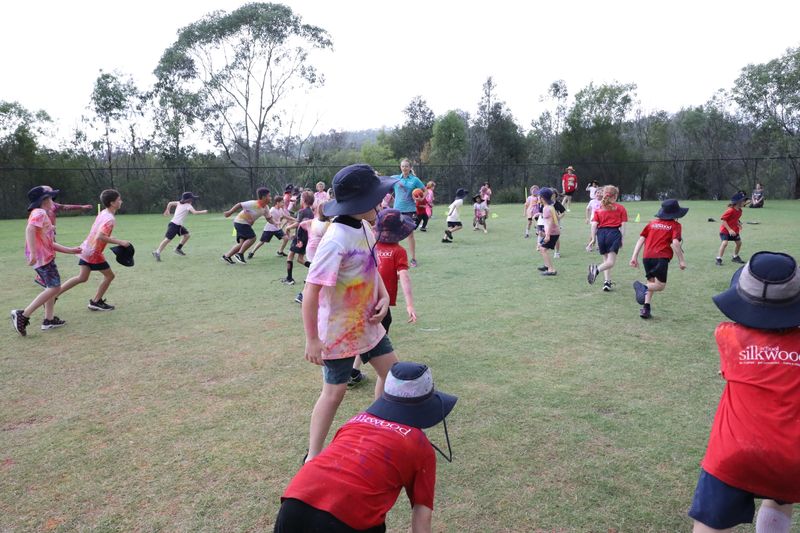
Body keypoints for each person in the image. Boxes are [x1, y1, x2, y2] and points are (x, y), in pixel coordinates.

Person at [688, 251, 800, 533]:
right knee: (780, 497)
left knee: (710, 523)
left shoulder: (728, 335)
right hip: (792, 455)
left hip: (735, 453)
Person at [275, 361, 457, 533]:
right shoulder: (420, 445)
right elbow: (422, 515)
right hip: (348, 519)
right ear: (426, 405)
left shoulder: (355, 421)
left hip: (294, 503)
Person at [301, 163, 400, 462]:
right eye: (376, 197)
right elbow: (311, 291)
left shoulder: (366, 228)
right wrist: (312, 339)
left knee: (393, 376)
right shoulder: (335, 239)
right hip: (338, 331)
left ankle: (379, 429)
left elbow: (372, 268)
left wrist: (383, 296)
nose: (381, 201)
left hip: (368, 324)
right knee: (335, 392)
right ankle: (313, 457)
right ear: (360, 202)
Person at [350, 209, 419, 387]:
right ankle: (377, 378)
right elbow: (404, 276)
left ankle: (353, 371)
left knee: (366, 336)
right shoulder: (399, 251)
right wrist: (410, 305)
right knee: (377, 344)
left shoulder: (369, 245)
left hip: (362, 301)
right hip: (380, 305)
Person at [11, 186, 82, 336]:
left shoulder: (41, 214)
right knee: (55, 288)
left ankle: (49, 320)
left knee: (51, 287)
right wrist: (33, 253)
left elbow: (49, 243)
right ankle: (23, 315)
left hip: (45, 258)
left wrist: (70, 250)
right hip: (42, 259)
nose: (53, 201)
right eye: (50, 198)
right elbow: (29, 229)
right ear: (44, 200)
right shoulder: (40, 212)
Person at [58, 189, 131, 311]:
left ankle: (53, 295)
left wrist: (110, 238)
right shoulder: (110, 219)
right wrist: (120, 242)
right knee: (110, 276)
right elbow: (100, 236)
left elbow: (99, 232)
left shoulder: (103, 213)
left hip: (86, 248)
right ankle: (96, 301)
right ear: (112, 203)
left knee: (82, 277)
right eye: (119, 200)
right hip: (93, 252)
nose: (121, 201)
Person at [629, 199, 688, 319]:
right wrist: (681, 260)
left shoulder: (652, 223)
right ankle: (642, 287)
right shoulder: (675, 225)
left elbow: (641, 239)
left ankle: (646, 309)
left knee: (651, 282)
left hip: (647, 257)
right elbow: (675, 243)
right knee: (660, 286)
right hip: (661, 257)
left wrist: (634, 256)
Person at [587, 185, 627, 291]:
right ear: (615, 196)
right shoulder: (620, 208)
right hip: (613, 234)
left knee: (606, 259)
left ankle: (607, 282)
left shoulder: (598, 208)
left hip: (601, 234)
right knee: (611, 262)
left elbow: (594, 225)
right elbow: (623, 225)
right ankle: (596, 270)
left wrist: (593, 238)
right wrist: (622, 238)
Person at [221, 187, 271, 264]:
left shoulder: (266, 207)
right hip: (240, 222)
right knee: (252, 238)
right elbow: (240, 204)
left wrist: (276, 223)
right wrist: (229, 212)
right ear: (264, 197)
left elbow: (269, 218)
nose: (270, 198)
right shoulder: (254, 203)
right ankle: (240, 254)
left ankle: (227, 256)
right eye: (269, 196)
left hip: (243, 223)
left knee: (242, 244)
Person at [152, 192, 207, 261]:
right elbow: (194, 212)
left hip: (179, 226)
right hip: (174, 224)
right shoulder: (188, 205)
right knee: (168, 239)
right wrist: (204, 211)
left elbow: (170, 203)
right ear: (187, 200)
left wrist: (168, 210)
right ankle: (157, 252)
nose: (192, 200)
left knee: (187, 235)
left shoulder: (179, 203)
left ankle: (178, 249)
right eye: (191, 199)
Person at [391, 159, 425, 267]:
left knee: (410, 235)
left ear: (410, 168)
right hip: (397, 210)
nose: (404, 168)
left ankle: (413, 259)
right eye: (402, 166)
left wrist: (421, 198)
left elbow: (425, 190)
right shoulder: (395, 178)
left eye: (406, 166)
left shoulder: (415, 180)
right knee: (395, 235)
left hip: (410, 210)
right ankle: (395, 259)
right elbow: (382, 182)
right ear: (400, 167)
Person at [281, 191, 314, 286]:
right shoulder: (311, 212)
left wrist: (288, 227)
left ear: (304, 200)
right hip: (306, 237)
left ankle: (289, 279)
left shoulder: (302, 211)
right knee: (300, 259)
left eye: (301, 199)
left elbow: (298, 223)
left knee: (290, 256)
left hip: (299, 238)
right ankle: (315, 270)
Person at [716, 192, 746, 266]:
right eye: (743, 201)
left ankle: (735, 257)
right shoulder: (730, 210)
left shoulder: (740, 211)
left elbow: (735, 219)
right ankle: (718, 258)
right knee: (725, 243)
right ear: (738, 202)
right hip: (725, 231)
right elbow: (724, 220)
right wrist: (729, 230)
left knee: (739, 243)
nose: (745, 202)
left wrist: (738, 223)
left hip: (734, 230)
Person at [537, 188, 560, 276]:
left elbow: (550, 222)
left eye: (539, 196)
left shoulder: (546, 208)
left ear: (542, 198)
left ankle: (551, 270)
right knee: (542, 248)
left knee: (543, 249)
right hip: (555, 232)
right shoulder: (551, 207)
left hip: (552, 233)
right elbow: (557, 217)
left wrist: (547, 235)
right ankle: (547, 266)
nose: (538, 198)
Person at [584, 186, 603, 252]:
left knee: (600, 233)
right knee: (593, 233)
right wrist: (587, 218)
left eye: (600, 193)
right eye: (597, 193)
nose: (598, 194)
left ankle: (599, 246)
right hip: (594, 219)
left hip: (602, 220)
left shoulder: (604, 202)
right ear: (595, 194)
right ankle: (589, 246)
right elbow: (587, 209)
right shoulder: (592, 201)